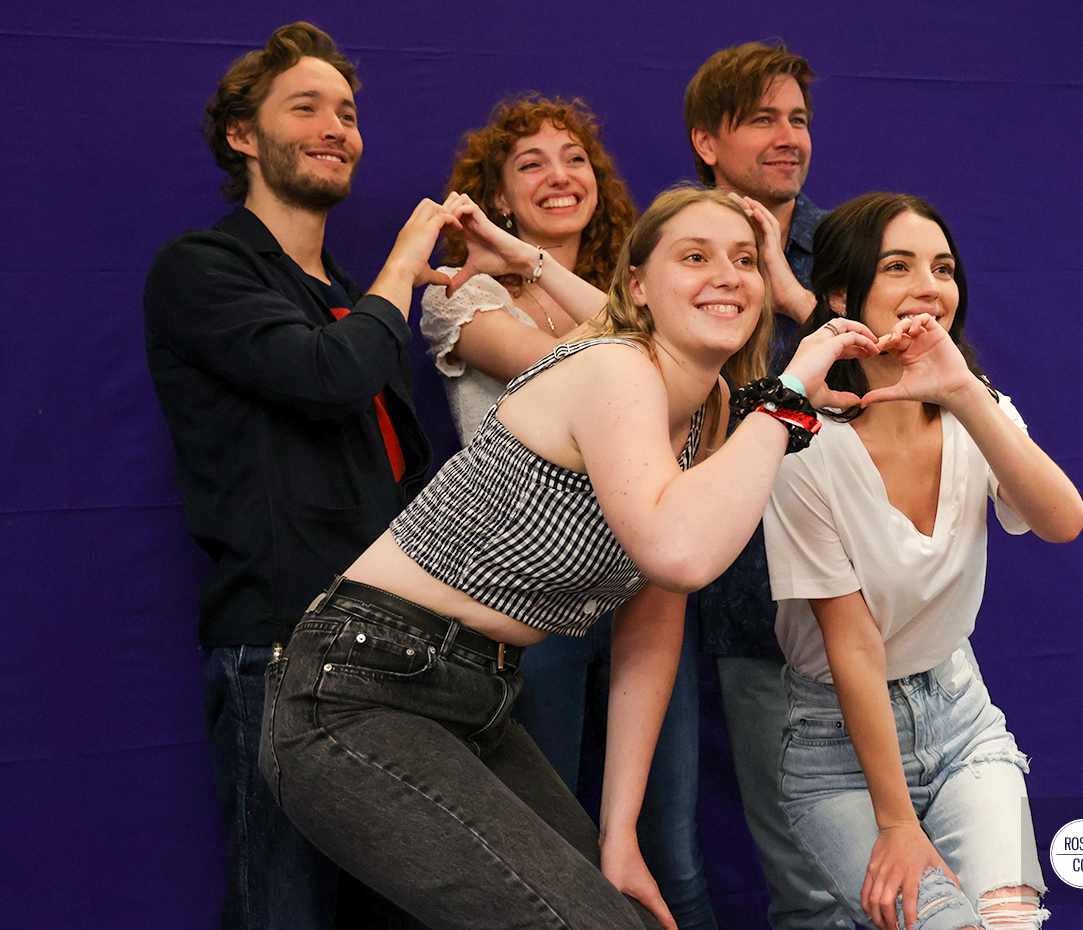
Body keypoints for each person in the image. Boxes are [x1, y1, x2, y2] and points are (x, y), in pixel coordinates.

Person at [260, 186, 883, 930]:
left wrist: (617, 834)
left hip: (476, 698)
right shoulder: (614, 369)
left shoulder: (709, 408)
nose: (729, 274)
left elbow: (654, 617)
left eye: (746, 259)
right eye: (695, 256)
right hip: (358, 689)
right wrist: (787, 399)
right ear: (638, 288)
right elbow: (680, 552)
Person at [142, 22, 457, 929]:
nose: (337, 128)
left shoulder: (350, 300)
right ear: (244, 136)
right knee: (285, 913)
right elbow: (330, 378)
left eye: (349, 113)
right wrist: (402, 272)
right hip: (278, 653)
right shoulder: (202, 269)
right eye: (307, 107)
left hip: (388, 655)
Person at [419, 95, 717, 929]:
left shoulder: (640, 289)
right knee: (549, 850)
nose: (560, 175)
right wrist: (532, 267)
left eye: (575, 157)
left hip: (645, 591)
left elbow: (674, 361)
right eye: (530, 164)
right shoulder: (462, 294)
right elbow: (606, 368)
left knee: (672, 850)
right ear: (499, 200)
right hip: (527, 609)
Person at [763, 193, 1083, 930]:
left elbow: (1063, 521)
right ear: (843, 296)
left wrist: (967, 395)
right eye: (899, 266)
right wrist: (896, 822)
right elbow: (851, 641)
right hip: (838, 751)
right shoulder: (802, 447)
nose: (929, 286)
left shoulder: (980, 411)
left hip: (962, 718)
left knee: (1009, 924)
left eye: (943, 268)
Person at [683, 41, 847, 930]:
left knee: (918, 865)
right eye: (763, 120)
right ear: (708, 141)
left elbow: (888, 389)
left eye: (800, 120)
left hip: (877, 598)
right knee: (810, 885)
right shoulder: (677, 250)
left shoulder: (853, 246)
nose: (789, 138)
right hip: (756, 607)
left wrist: (789, 286)